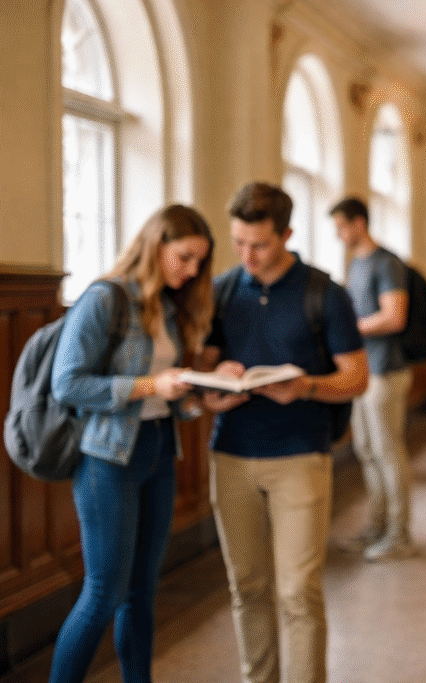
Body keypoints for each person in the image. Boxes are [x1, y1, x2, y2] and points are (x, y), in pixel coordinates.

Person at [200, 182, 368, 683]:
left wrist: (307, 386)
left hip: (300, 456)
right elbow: (203, 376)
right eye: (239, 243)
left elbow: (356, 377)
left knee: (298, 591)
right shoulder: (224, 290)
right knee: (246, 587)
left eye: (260, 244)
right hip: (231, 453)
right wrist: (216, 386)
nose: (248, 255)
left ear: (288, 235)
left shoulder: (324, 293)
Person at [49, 204, 215, 683]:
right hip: (106, 459)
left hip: (159, 449)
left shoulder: (168, 304)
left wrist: (205, 385)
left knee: (142, 591)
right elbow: (68, 383)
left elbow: (169, 391)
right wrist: (147, 386)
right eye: (183, 257)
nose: (191, 270)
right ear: (155, 244)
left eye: (199, 262)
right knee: (103, 593)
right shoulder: (105, 298)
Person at [331, 196, 416, 562]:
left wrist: (349, 328)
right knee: (365, 450)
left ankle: (399, 534)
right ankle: (377, 525)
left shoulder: (387, 262)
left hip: (386, 371)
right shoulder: (356, 264)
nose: (338, 235)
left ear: (358, 223)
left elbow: (394, 317)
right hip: (363, 370)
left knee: (387, 452)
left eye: (340, 227)